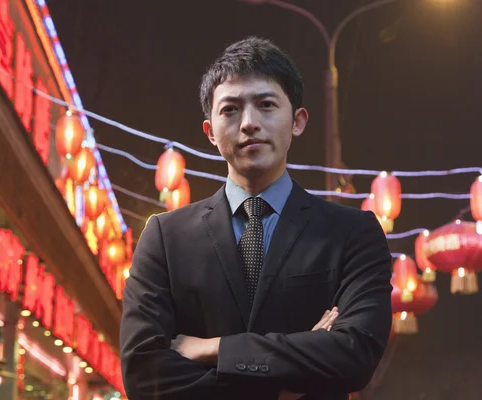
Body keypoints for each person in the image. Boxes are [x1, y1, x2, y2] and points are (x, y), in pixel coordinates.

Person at [120, 36, 393, 400]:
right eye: (230, 109)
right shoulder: (166, 238)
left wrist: (215, 349)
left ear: (297, 121)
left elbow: (355, 357)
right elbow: (144, 376)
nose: (249, 123)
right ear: (210, 133)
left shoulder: (352, 234)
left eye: (266, 105)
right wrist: (287, 383)